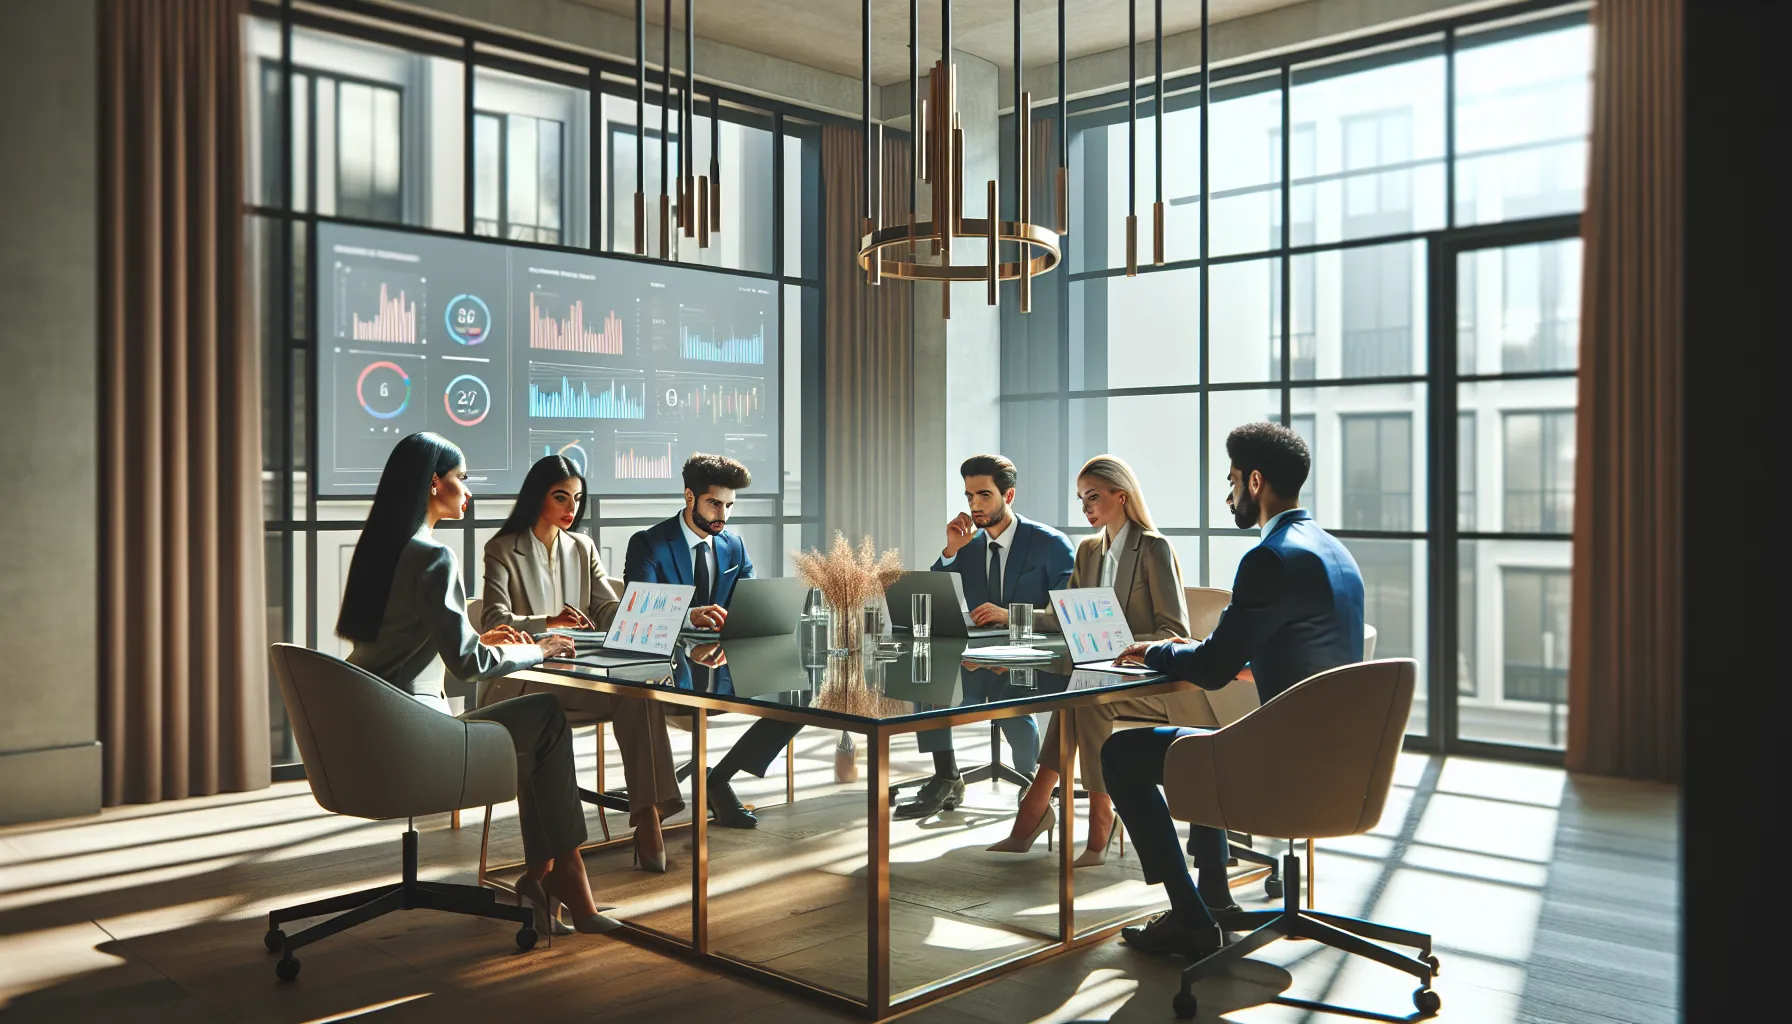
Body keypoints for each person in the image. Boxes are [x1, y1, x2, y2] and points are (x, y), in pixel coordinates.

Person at [337, 432, 619, 938]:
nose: (468, 491)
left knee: (537, 725)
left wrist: (479, 636)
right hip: (416, 736)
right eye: (461, 479)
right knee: (545, 716)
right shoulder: (432, 557)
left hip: (368, 731)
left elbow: (406, 642)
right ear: (433, 484)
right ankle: (567, 878)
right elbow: (468, 666)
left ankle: (547, 875)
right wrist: (541, 648)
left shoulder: (381, 550)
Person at [1101, 422, 1365, 960]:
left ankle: (1189, 918)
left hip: (1284, 766)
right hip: (1341, 761)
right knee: (1204, 738)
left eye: (1232, 481)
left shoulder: (1270, 558)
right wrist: (1235, 658)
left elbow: (1212, 667)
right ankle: (1214, 897)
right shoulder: (1334, 551)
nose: (1229, 495)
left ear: (1255, 482)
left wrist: (1156, 650)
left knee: (1120, 753)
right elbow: (1305, 653)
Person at [480, 455, 683, 873]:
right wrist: (548, 622)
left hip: (578, 677)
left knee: (638, 693)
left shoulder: (582, 547)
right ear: (538, 496)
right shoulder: (501, 549)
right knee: (629, 693)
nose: (571, 507)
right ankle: (646, 814)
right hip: (526, 679)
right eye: (561, 497)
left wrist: (646, 617)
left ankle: (647, 814)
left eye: (576, 498)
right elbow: (493, 621)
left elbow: (605, 607)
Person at [986, 455, 1192, 865]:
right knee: (1080, 697)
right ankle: (1077, 812)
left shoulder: (1154, 548)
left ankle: (1062, 810)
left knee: (1084, 700)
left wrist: (1123, 646)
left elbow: (1175, 632)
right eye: (1081, 498)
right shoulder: (1088, 551)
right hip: (1101, 677)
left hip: (1151, 682)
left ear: (1122, 496)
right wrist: (1011, 617)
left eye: (1093, 496)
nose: (1085, 507)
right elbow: (1064, 617)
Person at [896, 454, 1076, 821]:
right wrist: (950, 551)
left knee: (1011, 694)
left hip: (1034, 661)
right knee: (928, 679)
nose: (974, 505)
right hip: (978, 659)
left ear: (1008, 496)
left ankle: (1034, 783)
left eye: (984, 495)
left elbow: (1067, 612)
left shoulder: (1050, 543)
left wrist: (1011, 616)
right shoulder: (970, 545)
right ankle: (946, 777)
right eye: (969, 496)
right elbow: (935, 599)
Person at [623, 453, 774, 830]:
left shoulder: (733, 546)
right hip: (668, 671)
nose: (723, 514)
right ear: (689, 497)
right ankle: (691, 791)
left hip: (725, 666)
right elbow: (639, 611)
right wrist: (688, 615)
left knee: (798, 695)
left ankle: (718, 777)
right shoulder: (648, 544)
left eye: (729, 505)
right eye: (714, 503)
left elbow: (751, 603)